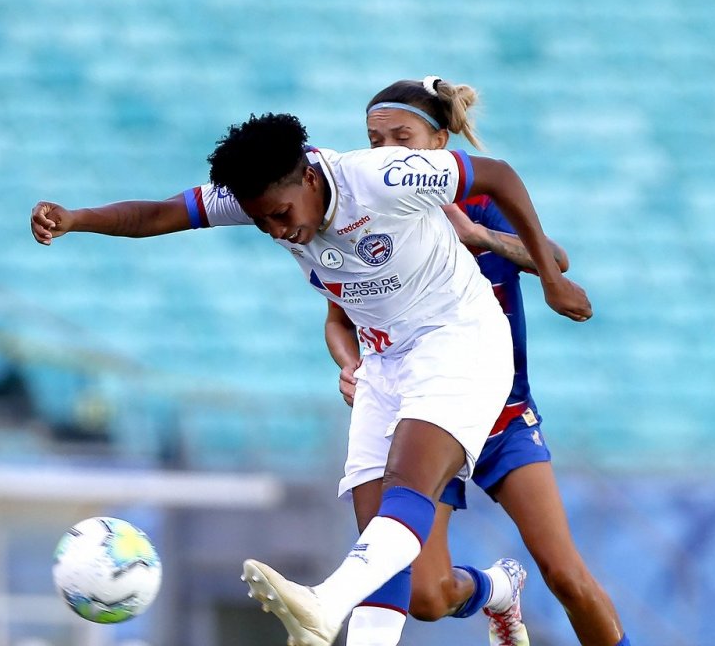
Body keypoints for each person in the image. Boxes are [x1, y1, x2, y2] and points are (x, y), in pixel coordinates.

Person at [30, 111, 591, 646]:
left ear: (308, 174)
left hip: (460, 339)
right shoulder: (260, 196)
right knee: (388, 554)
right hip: (385, 362)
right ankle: (490, 589)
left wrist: (548, 275)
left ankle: (324, 603)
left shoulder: (379, 177)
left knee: (408, 486)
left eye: (280, 213)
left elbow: (497, 175)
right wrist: (78, 219)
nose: (277, 230)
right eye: (261, 221)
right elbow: (160, 214)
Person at [324, 77, 629, 646]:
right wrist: (349, 363)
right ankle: (495, 590)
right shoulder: (366, 215)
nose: (386, 151)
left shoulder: (480, 200)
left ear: (440, 142)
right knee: (425, 597)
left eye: (402, 137)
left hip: (501, 415)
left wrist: (481, 236)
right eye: (374, 139)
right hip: (423, 416)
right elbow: (339, 318)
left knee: (565, 574)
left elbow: (553, 258)